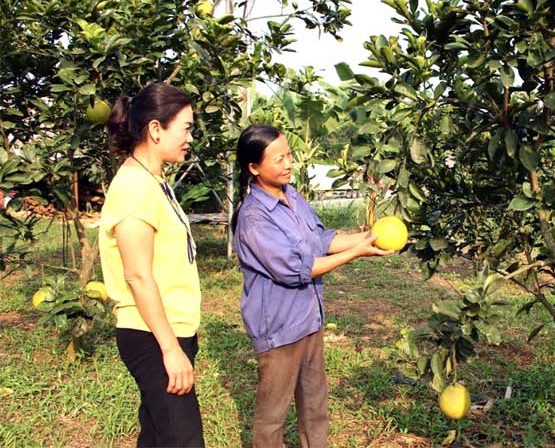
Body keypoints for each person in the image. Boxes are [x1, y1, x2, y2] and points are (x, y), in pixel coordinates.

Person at [232, 124, 393, 448]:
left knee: (315, 405)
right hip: (279, 327)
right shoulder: (254, 217)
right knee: (273, 415)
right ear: (254, 167)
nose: (288, 164)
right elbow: (296, 270)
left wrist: (369, 238)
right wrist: (355, 253)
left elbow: (320, 239)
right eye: (278, 159)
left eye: (289, 155)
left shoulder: (292, 195)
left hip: (308, 319)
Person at [99, 82, 204, 447]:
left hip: (169, 329)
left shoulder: (153, 181)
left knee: (159, 436)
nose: (190, 137)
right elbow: (138, 276)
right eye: (186, 127)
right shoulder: (133, 188)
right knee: (184, 439)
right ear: (156, 129)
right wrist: (170, 349)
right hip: (151, 335)